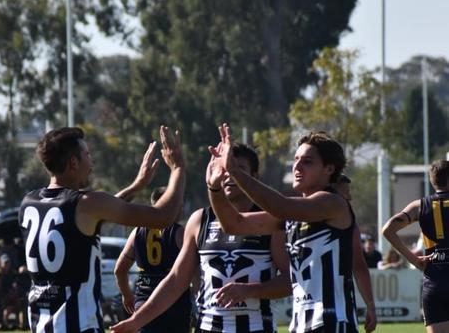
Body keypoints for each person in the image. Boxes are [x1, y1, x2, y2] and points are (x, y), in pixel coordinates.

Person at [18, 126, 185, 332]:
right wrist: (178, 168)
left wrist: (136, 186)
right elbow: (163, 216)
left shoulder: (29, 203)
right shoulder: (87, 203)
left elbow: (91, 216)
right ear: (73, 163)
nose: (91, 163)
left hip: (41, 324)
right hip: (79, 326)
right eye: (87, 155)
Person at [112, 143, 291, 333]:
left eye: (239, 169)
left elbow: (292, 280)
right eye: (224, 168)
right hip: (207, 328)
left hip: (256, 328)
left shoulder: (270, 222)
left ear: (254, 177)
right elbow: (175, 280)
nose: (229, 174)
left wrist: (251, 291)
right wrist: (136, 321)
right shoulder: (200, 220)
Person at [206, 125, 363, 333]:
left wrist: (235, 171)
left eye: (307, 162)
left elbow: (281, 205)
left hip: (332, 323)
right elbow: (233, 224)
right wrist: (214, 187)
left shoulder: (332, 202)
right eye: (296, 159)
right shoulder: (293, 215)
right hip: (300, 325)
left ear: (329, 169)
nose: (297, 167)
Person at [382, 159, 449, 332]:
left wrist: (413, 259)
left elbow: (387, 230)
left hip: (434, 285)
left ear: (433, 181)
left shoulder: (419, 206)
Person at [113, 186, 191, 333]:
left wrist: (127, 296)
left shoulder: (137, 232)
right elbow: (194, 270)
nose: (181, 209)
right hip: (174, 305)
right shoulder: (180, 233)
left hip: (143, 304)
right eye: (178, 204)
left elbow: (119, 270)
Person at [332, 174, 377, 330]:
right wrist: (370, 306)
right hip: (338, 314)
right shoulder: (347, 223)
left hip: (304, 317)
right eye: (346, 192)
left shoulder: (299, 215)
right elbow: (358, 265)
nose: (350, 197)